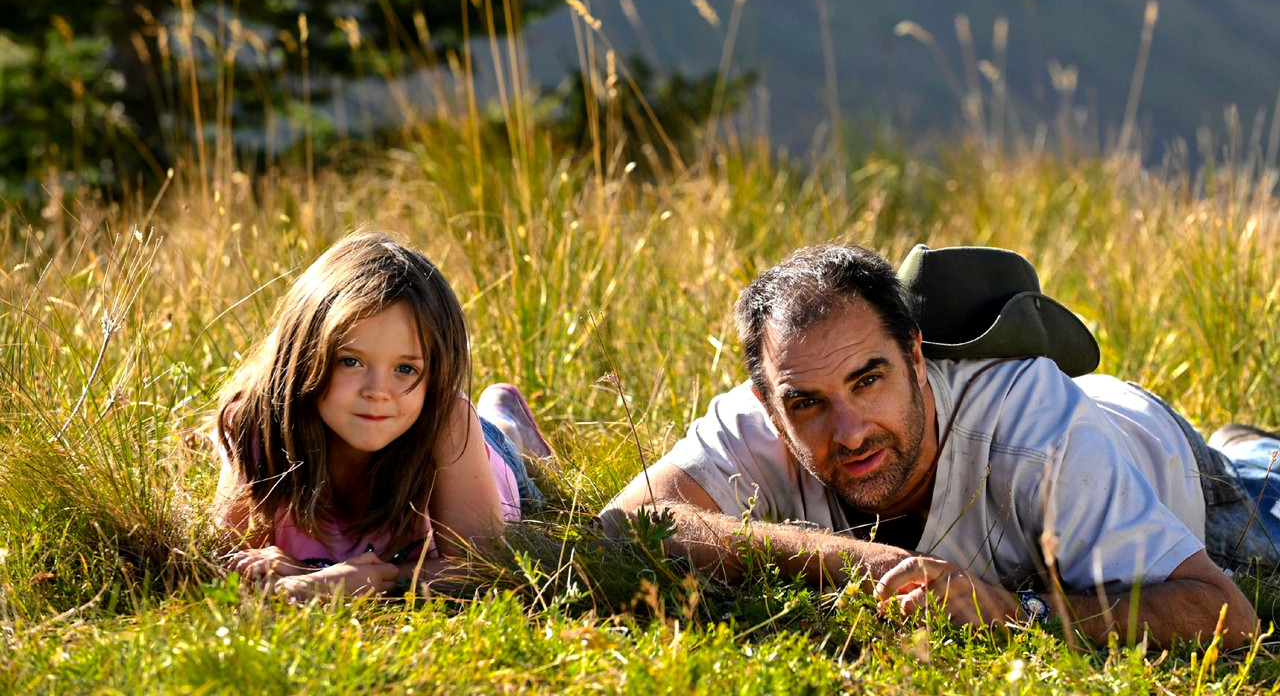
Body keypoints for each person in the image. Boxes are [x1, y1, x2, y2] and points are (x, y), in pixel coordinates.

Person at [606, 243, 1276, 648]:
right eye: (808, 404)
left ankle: (1251, 453)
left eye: (869, 380)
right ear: (770, 407)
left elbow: (1227, 616)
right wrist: (861, 563)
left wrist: (1018, 612)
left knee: (1263, 511)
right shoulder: (764, 415)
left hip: (1159, 454)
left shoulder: (1040, 440)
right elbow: (629, 524)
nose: (851, 430)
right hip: (1091, 431)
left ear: (917, 358)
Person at [212, 231, 553, 598]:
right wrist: (305, 572)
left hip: (488, 462)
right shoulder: (259, 422)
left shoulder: (447, 421)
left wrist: (355, 583)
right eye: (351, 361)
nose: (377, 391)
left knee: (501, 441)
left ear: (435, 376)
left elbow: (482, 569)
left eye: (406, 368)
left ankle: (508, 423)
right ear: (303, 355)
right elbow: (230, 561)